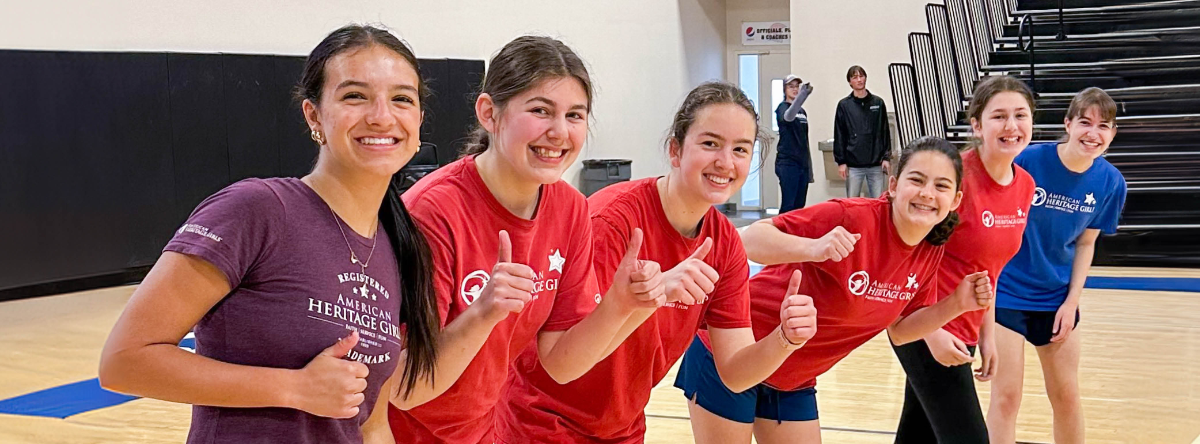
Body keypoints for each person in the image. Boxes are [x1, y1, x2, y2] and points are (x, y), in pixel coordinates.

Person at [98, 25, 470, 443]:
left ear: (419, 119)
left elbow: (371, 421)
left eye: (401, 98)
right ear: (314, 116)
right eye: (355, 96)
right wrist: (294, 388)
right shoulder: (257, 210)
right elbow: (124, 362)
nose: (382, 116)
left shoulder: (400, 245)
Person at [495, 81, 818, 443]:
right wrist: (644, 299)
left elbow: (734, 373)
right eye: (710, 143)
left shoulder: (724, 242)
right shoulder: (610, 222)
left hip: (623, 427)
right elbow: (562, 366)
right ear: (675, 150)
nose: (725, 162)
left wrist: (785, 339)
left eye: (740, 149)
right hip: (541, 423)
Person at [387, 36, 665, 444]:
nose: (559, 131)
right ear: (489, 113)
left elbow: (560, 363)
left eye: (575, 115)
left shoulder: (569, 208)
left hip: (485, 430)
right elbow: (405, 390)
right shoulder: (432, 213)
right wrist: (482, 314)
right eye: (540, 111)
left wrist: (622, 306)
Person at [679, 136, 994, 444]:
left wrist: (955, 304)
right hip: (734, 352)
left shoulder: (930, 250)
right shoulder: (851, 217)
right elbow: (747, 240)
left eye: (941, 186)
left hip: (793, 377)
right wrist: (813, 248)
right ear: (894, 186)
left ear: (955, 200)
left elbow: (900, 331)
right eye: (917, 180)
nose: (927, 193)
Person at [891, 75, 1038, 444]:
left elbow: (990, 268)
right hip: (923, 323)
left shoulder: (1025, 186)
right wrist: (932, 333)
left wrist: (987, 334)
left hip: (966, 326)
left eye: (1021, 115)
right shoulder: (953, 177)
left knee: (919, 434)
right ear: (976, 124)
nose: (1011, 126)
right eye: (999, 116)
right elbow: (901, 256)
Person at [987, 87, 1127, 444]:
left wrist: (1071, 302)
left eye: (1103, 127)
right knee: (1006, 396)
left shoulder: (1111, 182)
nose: (1092, 134)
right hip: (1007, 293)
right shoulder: (1028, 161)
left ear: (1112, 134)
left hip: (1056, 297)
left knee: (1066, 396)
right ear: (1068, 124)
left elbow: (1086, 243)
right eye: (1085, 123)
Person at [834, 65, 892, 198]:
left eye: (861, 76)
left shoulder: (878, 103)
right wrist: (841, 162)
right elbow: (839, 134)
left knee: (878, 202)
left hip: (876, 164)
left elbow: (884, 132)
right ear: (850, 82)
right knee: (852, 202)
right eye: (855, 77)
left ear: (866, 78)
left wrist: (886, 158)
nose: (859, 80)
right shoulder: (844, 105)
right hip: (854, 165)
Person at [776, 74, 814, 212]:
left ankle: (794, 232)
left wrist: (809, 169)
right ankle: (778, 232)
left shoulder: (802, 112)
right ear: (784, 89)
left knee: (799, 205)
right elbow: (788, 117)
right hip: (787, 163)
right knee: (788, 205)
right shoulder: (782, 108)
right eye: (790, 86)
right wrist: (803, 96)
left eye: (797, 86)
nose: (794, 89)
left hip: (801, 163)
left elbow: (804, 140)